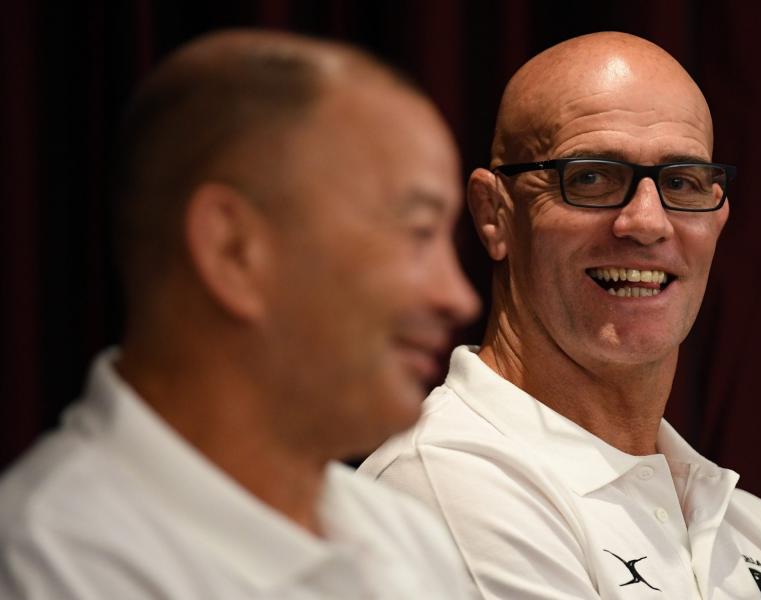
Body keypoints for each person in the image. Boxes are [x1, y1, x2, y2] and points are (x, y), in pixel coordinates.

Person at [0, 30, 480, 599]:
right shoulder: (49, 565)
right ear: (234, 249)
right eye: (418, 232)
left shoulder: (403, 536)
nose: (458, 297)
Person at [360, 31, 761, 599]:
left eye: (681, 183)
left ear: (718, 221)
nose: (647, 222)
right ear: (496, 214)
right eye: (591, 177)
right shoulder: (444, 484)